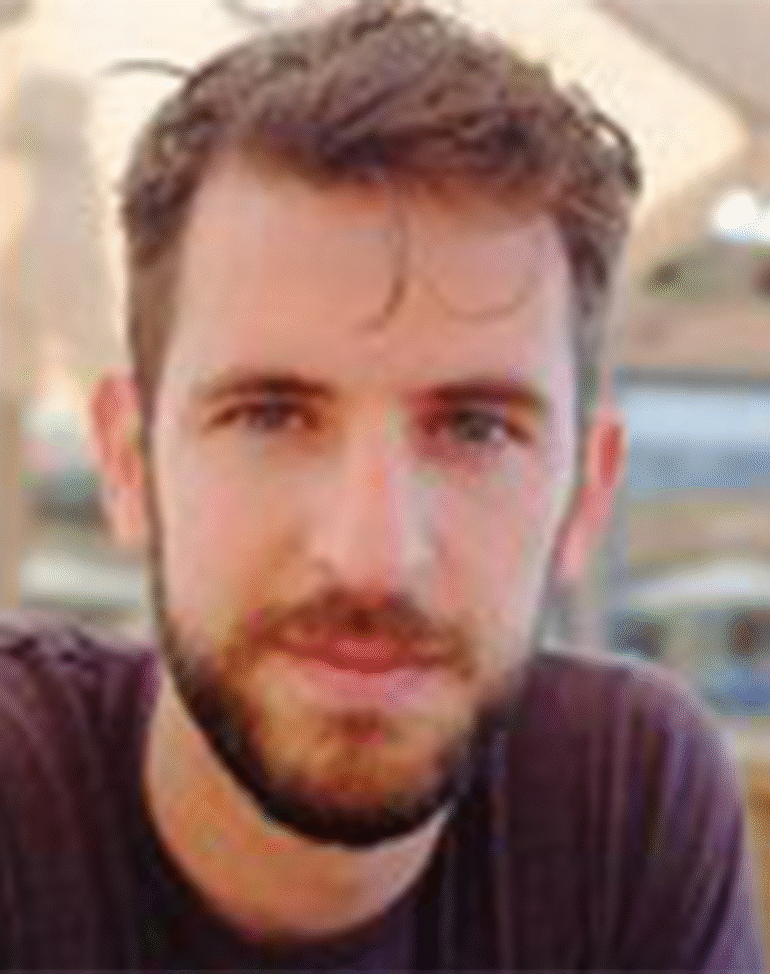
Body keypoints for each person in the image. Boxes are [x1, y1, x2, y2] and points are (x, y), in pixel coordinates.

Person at [0, 1, 764, 969]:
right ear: (127, 460)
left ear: (583, 493)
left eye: (474, 428)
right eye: (270, 414)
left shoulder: (618, 796)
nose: (372, 555)